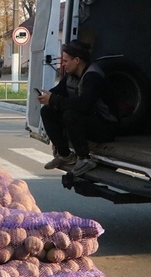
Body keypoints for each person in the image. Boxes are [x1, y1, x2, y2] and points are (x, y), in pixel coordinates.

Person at [38, 39, 119, 176]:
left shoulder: (93, 77)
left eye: (65, 61)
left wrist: (54, 99)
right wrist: (48, 96)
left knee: (70, 114)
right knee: (47, 111)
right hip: (90, 121)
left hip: (106, 126)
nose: (63, 65)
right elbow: (59, 92)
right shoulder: (71, 76)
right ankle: (65, 155)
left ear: (76, 60)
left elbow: (83, 105)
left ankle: (85, 159)